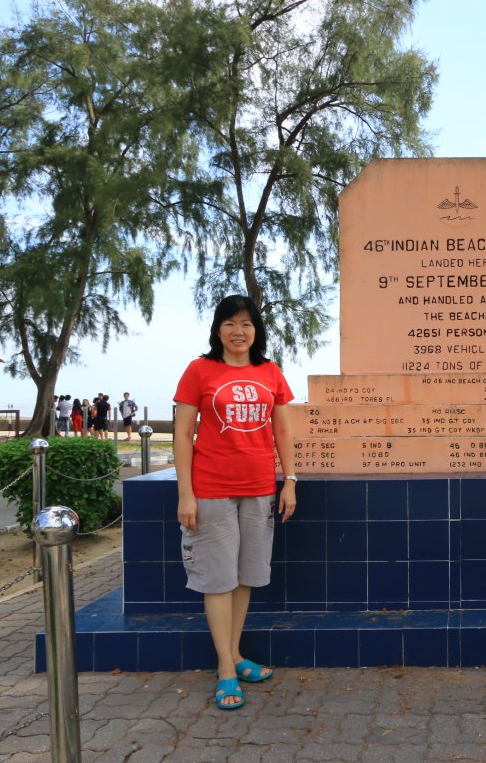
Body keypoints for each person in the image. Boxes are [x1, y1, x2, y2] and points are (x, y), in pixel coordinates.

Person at [173, 294, 298, 711]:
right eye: (229, 323)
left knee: (244, 577)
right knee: (217, 578)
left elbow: (282, 433)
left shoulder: (270, 372)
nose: (238, 331)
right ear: (217, 329)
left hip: (260, 487)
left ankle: (237, 654)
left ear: (256, 330)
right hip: (211, 488)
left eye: (246, 324)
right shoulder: (199, 370)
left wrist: (290, 481)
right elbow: (182, 435)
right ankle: (226, 668)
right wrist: (185, 493)